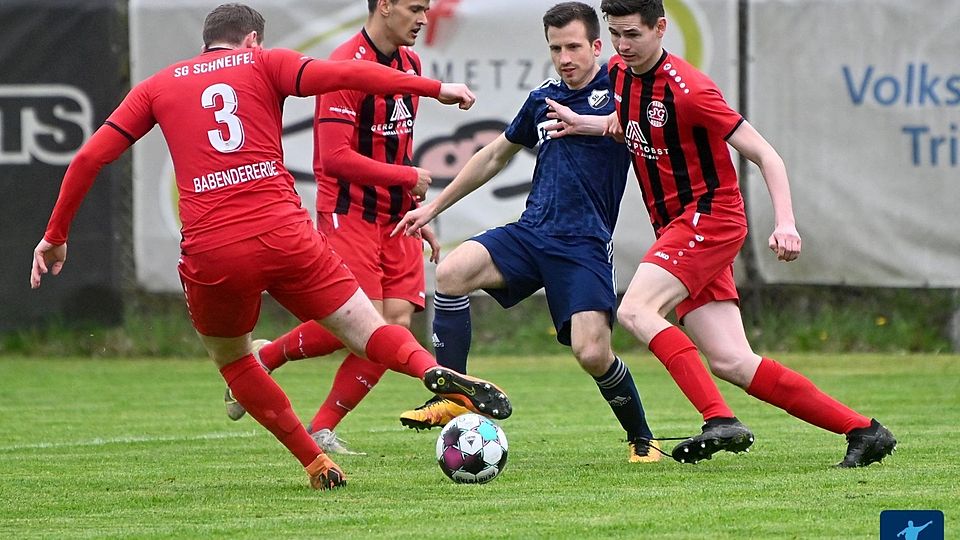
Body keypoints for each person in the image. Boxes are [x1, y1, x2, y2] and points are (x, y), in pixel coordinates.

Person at [30, 2, 512, 491]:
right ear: (253, 41)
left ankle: (314, 460)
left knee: (236, 360)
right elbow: (351, 74)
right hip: (285, 234)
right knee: (368, 328)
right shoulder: (265, 62)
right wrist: (438, 89)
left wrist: (56, 234)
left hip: (212, 249)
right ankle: (431, 370)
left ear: (207, 41)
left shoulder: (159, 84)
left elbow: (89, 157)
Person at [543, 0, 896, 467]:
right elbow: (627, 124)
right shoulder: (621, 74)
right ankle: (863, 431)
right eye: (615, 34)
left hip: (709, 218)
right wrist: (585, 124)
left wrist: (785, 222)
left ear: (661, 28)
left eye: (632, 34)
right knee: (732, 361)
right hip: (679, 226)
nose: (622, 46)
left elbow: (767, 155)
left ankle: (719, 420)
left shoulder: (691, 91)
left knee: (636, 309)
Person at [394, 2, 660, 463]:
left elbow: (653, 128)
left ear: (598, 46)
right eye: (555, 48)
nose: (564, 57)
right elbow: (494, 155)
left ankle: (643, 438)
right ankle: (453, 396)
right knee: (452, 272)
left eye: (574, 46)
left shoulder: (624, 89)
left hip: (583, 244)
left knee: (592, 353)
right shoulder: (542, 98)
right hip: (531, 233)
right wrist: (434, 205)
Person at [221, 0, 444, 456]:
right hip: (350, 212)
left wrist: (417, 213)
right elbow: (334, 157)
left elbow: (395, 148)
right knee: (364, 325)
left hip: (395, 216)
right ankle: (263, 358)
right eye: (415, 7)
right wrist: (406, 178)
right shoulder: (343, 67)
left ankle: (321, 426)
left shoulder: (411, 64)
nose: (423, 18)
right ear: (384, 6)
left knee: (395, 324)